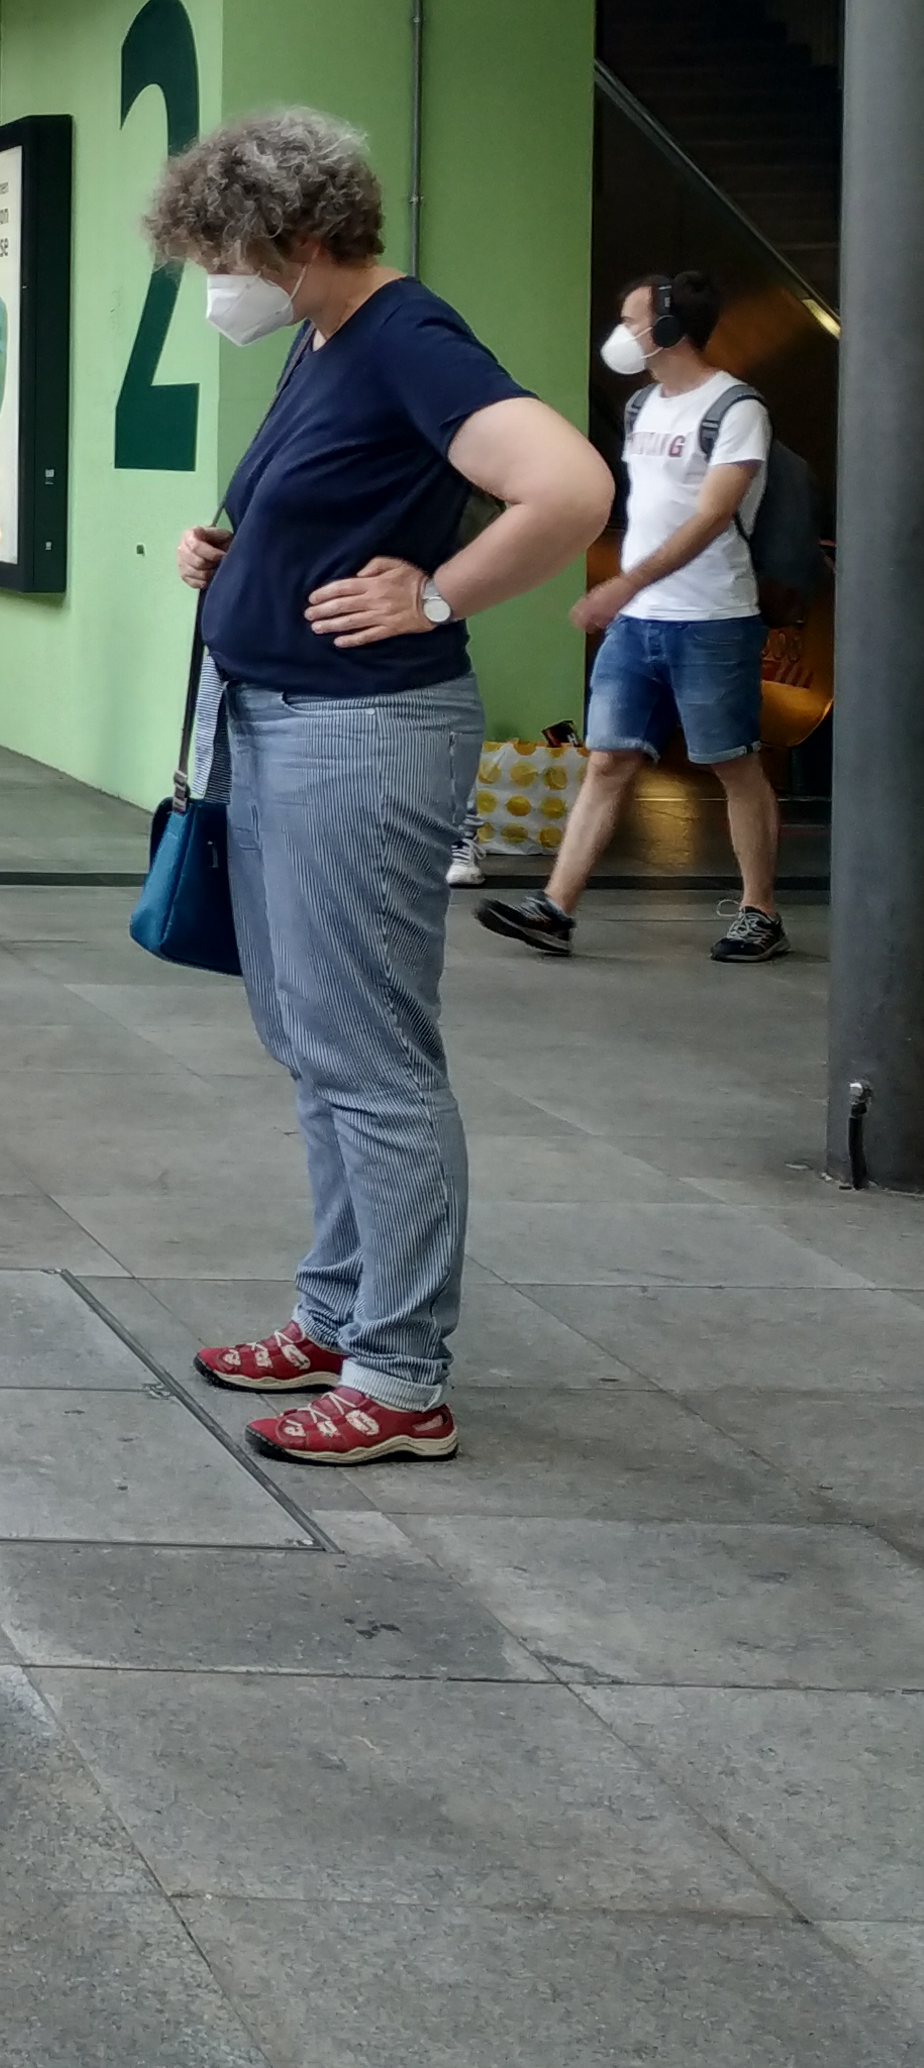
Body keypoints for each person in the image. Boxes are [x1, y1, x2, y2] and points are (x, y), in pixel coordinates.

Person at [150, 110, 611, 1468]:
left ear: (296, 244)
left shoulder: (410, 338)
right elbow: (336, 506)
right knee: (314, 1043)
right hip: (287, 722)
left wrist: (440, 592)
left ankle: (401, 1378)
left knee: (373, 1061)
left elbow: (570, 489)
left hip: (360, 732)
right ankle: (340, 1309)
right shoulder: (326, 338)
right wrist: (225, 555)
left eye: (221, 254)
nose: (211, 281)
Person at [479, 270, 786, 965]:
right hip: (636, 621)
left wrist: (622, 585)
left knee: (732, 763)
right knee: (610, 758)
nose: (621, 334)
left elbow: (711, 519)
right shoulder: (642, 405)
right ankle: (555, 908)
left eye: (634, 321)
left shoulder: (737, 409)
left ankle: (759, 911)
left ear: (672, 329)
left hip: (711, 619)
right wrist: (623, 590)